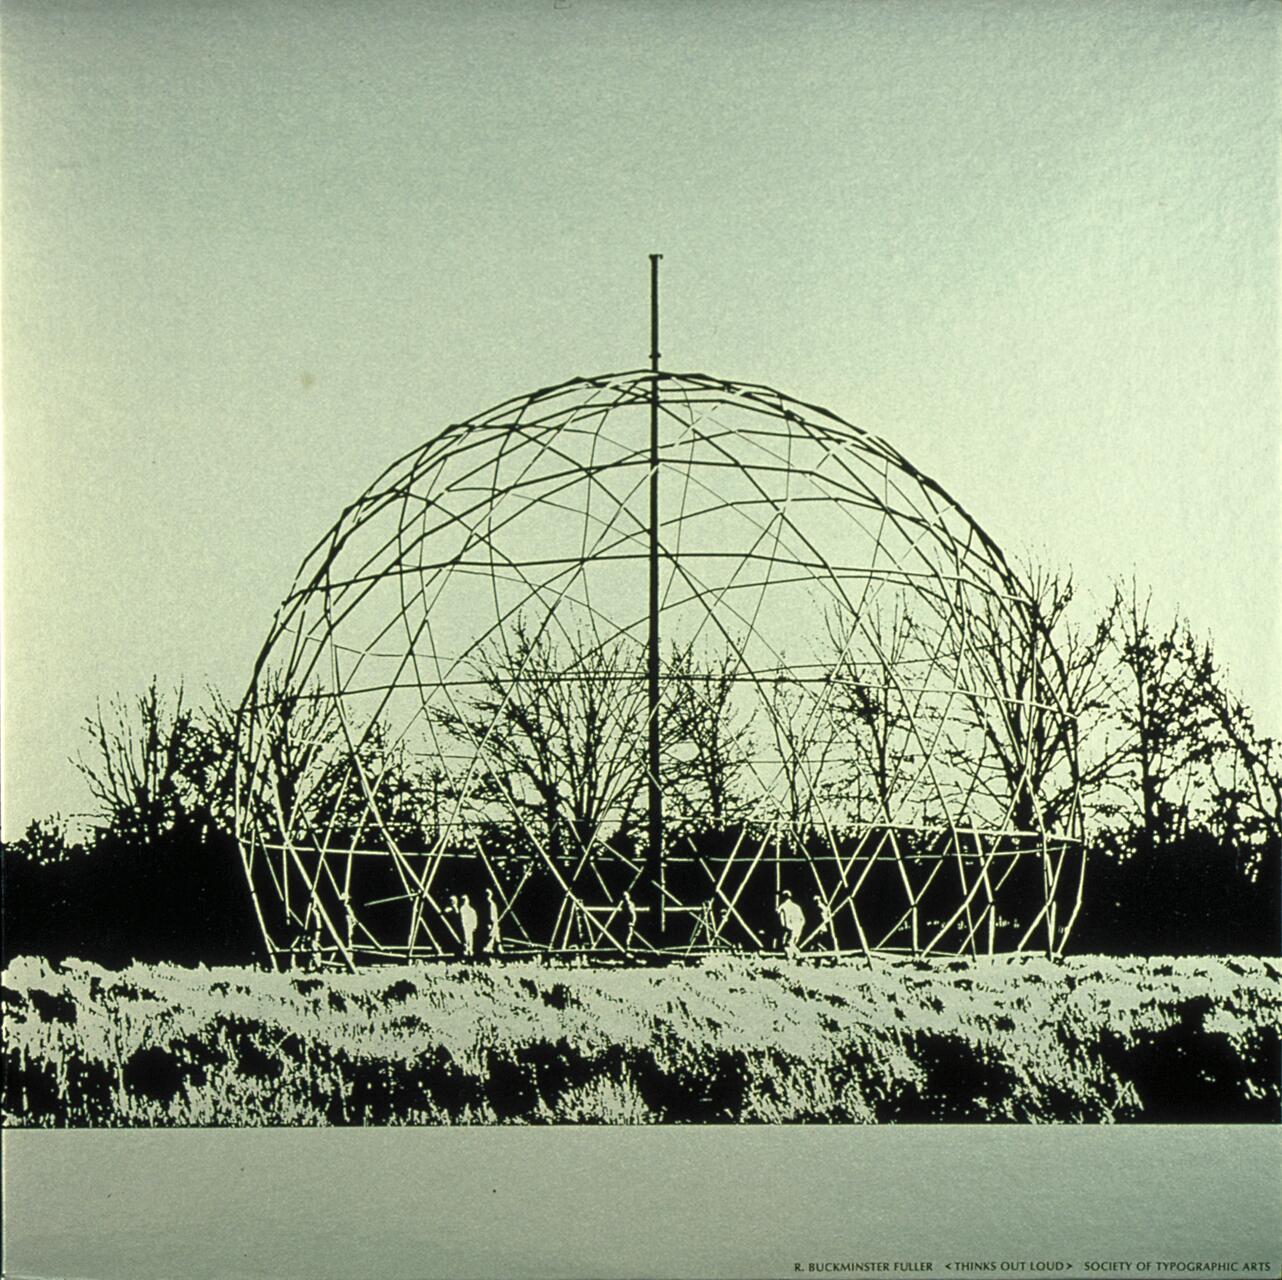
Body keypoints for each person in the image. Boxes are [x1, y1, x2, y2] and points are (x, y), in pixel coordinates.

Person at [776, 889, 805, 959]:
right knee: (791, 944)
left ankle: (798, 956)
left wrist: (786, 927)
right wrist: (799, 927)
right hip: (797, 928)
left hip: (789, 928)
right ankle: (796, 957)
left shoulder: (783, 906)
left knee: (787, 944)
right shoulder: (797, 906)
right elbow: (803, 919)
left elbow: (780, 917)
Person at [457, 893, 478, 958]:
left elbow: (474, 918)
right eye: (463, 900)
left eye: (465, 899)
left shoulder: (471, 910)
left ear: (468, 900)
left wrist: (474, 926)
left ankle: (470, 951)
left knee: (470, 939)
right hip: (465, 926)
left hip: (470, 927)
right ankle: (466, 951)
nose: (464, 901)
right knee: (465, 939)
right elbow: (461, 918)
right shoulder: (462, 909)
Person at [484, 887, 502, 957]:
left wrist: (492, 923)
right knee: (494, 937)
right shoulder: (491, 904)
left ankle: (491, 949)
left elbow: (492, 916)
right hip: (493, 923)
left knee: (492, 936)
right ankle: (497, 949)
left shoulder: (490, 904)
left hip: (492, 923)